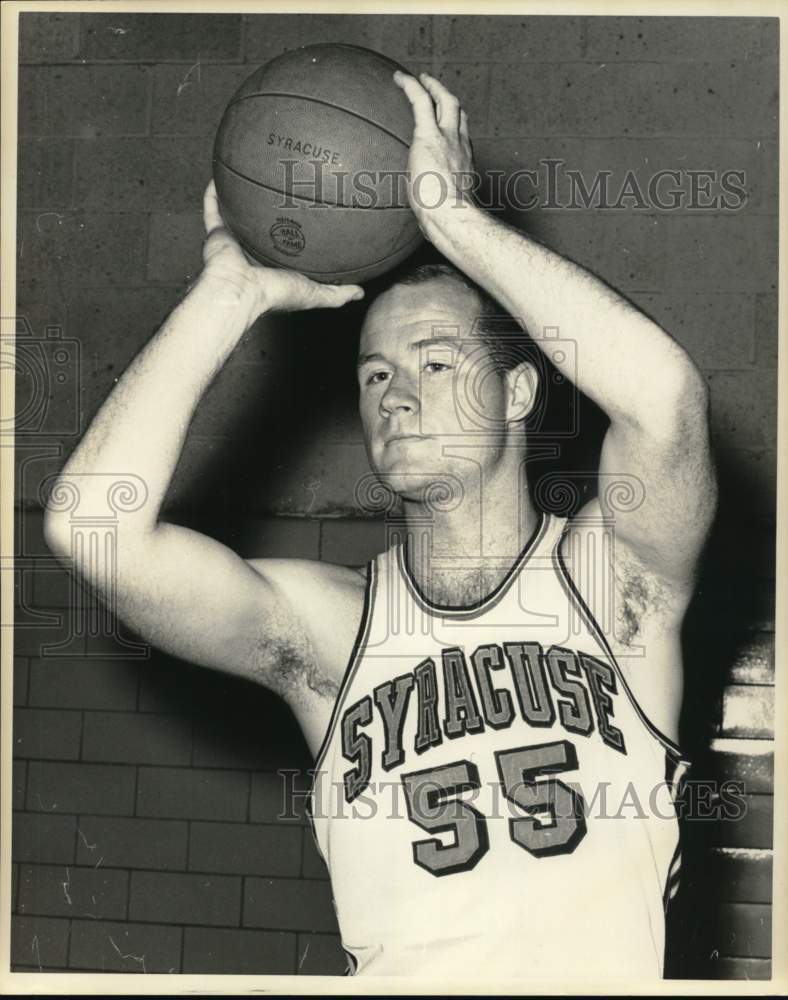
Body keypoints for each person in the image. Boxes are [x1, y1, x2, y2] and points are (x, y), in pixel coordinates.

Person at [44, 71, 716, 979]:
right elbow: (93, 529)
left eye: (437, 362)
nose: (397, 392)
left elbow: (665, 401)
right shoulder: (333, 632)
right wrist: (227, 296)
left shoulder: (613, 580)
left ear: (519, 391)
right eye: (373, 375)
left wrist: (456, 224)